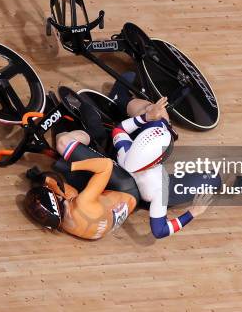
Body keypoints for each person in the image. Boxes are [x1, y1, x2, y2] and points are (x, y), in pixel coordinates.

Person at [111, 95, 216, 238]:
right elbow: (160, 231)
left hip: (132, 178)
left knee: (156, 115)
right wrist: (192, 212)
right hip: (157, 190)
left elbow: (119, 130)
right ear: (159, 161)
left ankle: (121, 97)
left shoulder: (125, 151)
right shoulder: (159, 190)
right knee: (214, 179)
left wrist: (147, 116)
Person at [24, 157, 136, 240]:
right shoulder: (82, 204)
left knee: (69, 192)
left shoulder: (61, 224)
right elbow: (106, 165)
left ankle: (45, 179)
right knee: (68, 147)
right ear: (57, 199)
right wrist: (70, 166)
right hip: (127, 190)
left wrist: (45, 180)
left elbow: (66, 196)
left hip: (101, 215)